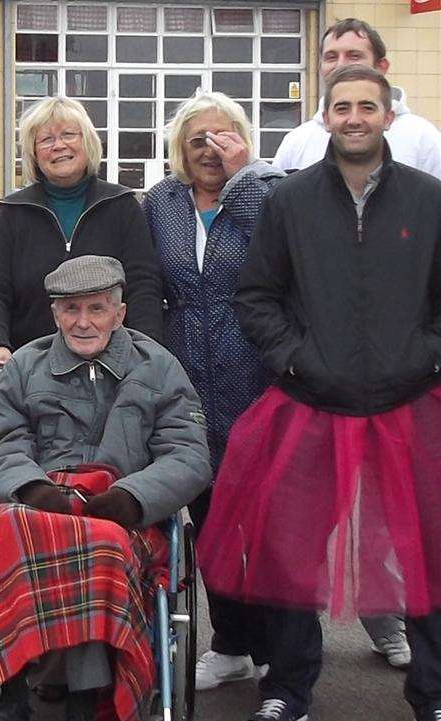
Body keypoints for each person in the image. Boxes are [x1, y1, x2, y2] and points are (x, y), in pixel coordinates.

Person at [198, 66, 441, 721]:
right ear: (325, 118)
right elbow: (257, 296)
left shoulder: (428, 198)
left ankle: (434, 692)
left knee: (431, 544)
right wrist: (297, 360)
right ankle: (288, 687)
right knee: (289, 547)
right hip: (313, 400)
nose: (356, 116)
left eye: (369, 105)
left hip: (410, 401)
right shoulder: (291, 200)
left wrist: (423, 356)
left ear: (389, 116)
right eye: (343, 106)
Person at [0, 255, 210, 721]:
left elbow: (189, 455)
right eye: (71, 309)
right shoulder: (24, 366)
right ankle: (18, 686)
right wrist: (34, 489)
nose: (83, 322)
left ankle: (85, 697)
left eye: (96, 309)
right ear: (55, 314)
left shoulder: (159, 367)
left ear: (119, 313)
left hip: (122, 512)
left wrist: (131, 497)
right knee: (8, 530)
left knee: (103, 544)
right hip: (37, 501)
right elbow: (0, 446)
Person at [143, 92, 283, 692]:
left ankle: (280, 647)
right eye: (197, 138)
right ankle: (230, 644)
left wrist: (246, 170)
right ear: (179, 147)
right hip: (186, 379)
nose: (209, 148)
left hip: (256, 375)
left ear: (242, 142)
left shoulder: (266, 192)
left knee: (268, 522)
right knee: (207, 519)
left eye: (222, 137)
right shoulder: (161, 203)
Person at [0, 96, 163, 385]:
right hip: (30, 370)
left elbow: (143, 285)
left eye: (68, 135)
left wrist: (147, 352)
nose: (58, 145)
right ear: (34, 153)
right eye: (45, 139)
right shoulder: (12, 213)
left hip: (114, 370)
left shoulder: (122, 206)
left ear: (87, 142)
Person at [273, 17, 441, 180]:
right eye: (331, 57)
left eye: (354, 56)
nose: (340, 65)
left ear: (381, 67)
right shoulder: (297, 142)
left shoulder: (423, 138)